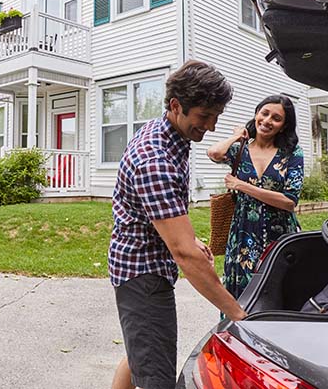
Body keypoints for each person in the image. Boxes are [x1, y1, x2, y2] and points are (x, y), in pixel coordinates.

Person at [109, 60, 247, 389]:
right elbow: (185, 255)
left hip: (138, 264)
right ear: (176, 106)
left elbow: (163, 217)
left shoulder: (168, 135)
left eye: (216, 116)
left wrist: (187, 239)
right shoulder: (155, 159)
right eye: (204, 116)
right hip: (143, 277)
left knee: (138, 355)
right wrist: (239, 315)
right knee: (156, 376)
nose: (211, 126)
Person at [207, 94, 304, 300]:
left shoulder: (292, 153)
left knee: (277, 291)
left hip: (278, 235)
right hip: (243, 233)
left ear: (284, 126)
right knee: (240, 292)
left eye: (276, 118)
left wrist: (243, 186)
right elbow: (214, 153)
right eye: (264, 113)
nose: (268, 121)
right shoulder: (240, 150)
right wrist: (237, 136)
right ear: (256, 114)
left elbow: (289, 202)